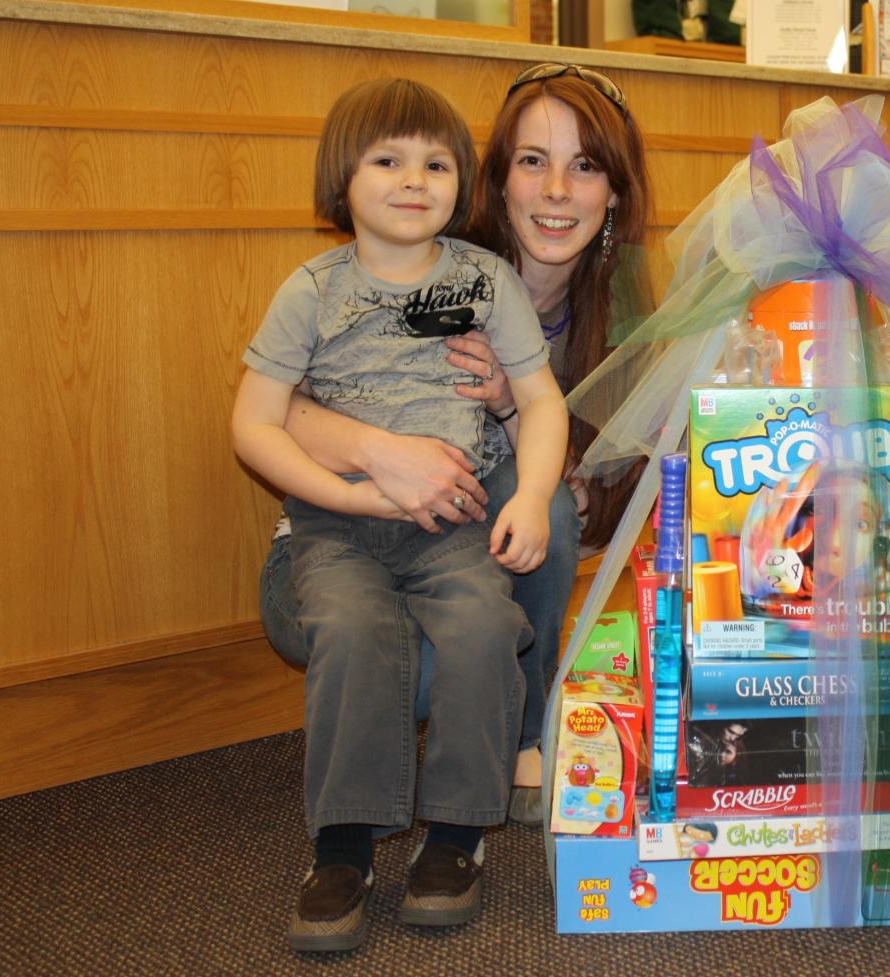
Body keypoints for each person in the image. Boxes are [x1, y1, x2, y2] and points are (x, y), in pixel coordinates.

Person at [258, 63, 651, 825]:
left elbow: (595, 501)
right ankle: (401, 786)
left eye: (586, 166)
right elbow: (277, 409)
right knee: (395, 652)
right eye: (533, 161)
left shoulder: (625, 322)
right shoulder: (420, 252)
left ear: (615, 195)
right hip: (334, 543)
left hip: (456, 559)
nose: (558, 192)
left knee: (540, 524)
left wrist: (514, 410)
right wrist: (378, 452)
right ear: (494, 178)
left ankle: (510, 740)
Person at [232, 78, 569, 951]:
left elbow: (539, 400)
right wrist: (348, 493)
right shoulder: (311, 289)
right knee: (351, 630)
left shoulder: (487, 279)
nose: (414, 179)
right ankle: (342, 846)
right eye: (388, 160)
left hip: (451, 523)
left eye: (437, 162)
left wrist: (530, 494)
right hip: (336, 526)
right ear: (344, 175)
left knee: (484, 629)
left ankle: (457, 836)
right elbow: (253, 423)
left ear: (464, 181)